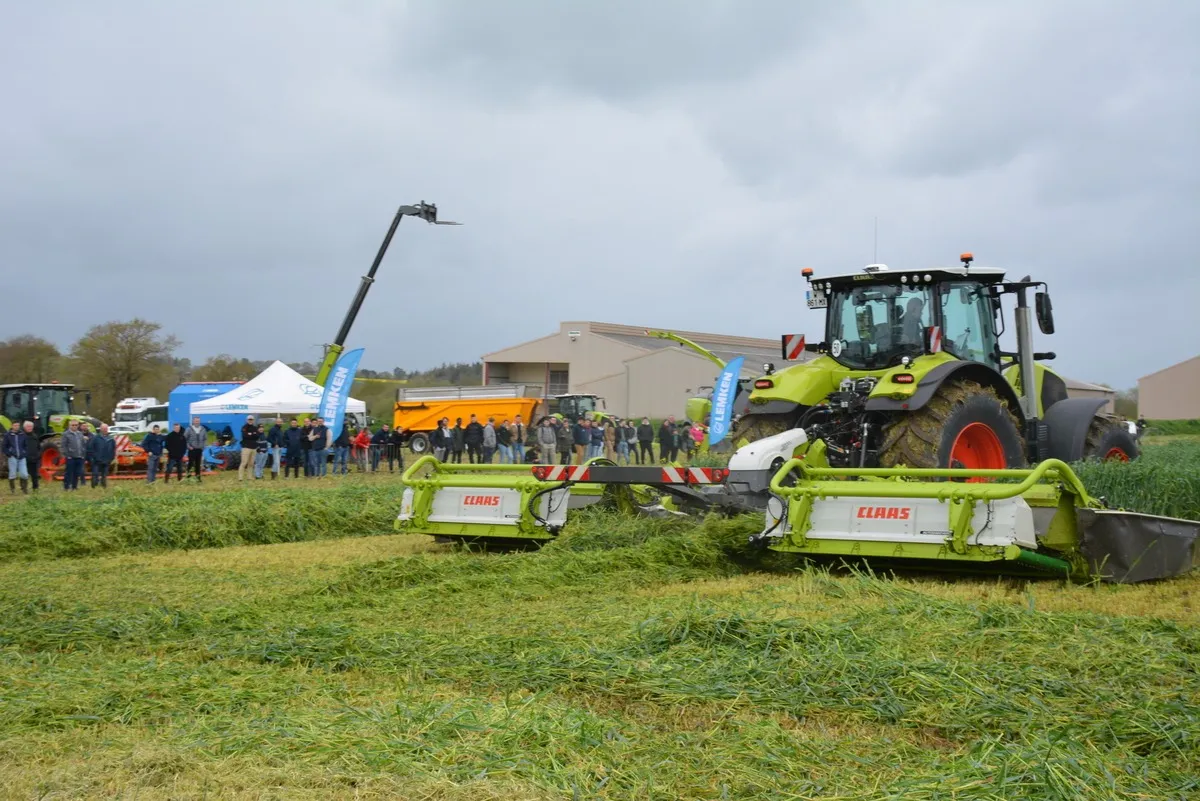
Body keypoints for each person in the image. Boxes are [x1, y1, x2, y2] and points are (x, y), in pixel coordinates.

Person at [2, 421, 30, 494]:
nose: (16, 427)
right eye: (15, 425)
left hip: (22, 457)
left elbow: (26, 445)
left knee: (24, 474)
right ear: (12, 426)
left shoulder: (23, 434)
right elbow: (4, 446)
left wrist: (25, 453)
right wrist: (9, 454)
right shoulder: (7, 435)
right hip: (12, 457)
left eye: (18, 425)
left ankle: (24, 489)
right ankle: (13, 489)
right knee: (12, 473)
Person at [87, 424, 116, 488]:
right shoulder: (95, 438)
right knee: (95, 473)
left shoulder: (111, 439)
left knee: (104, 474)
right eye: (103, 428)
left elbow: (113, 449)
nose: (105, 430)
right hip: (97, 460)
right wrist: (93, 457)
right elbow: (90, 448)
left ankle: (103, 485)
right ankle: (94, 486)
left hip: (107, 460)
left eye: (106, 428)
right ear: (100, 429)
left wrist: (112, 457)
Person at [60, 420, 87, 491]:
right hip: (70, 457)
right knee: (69, 472)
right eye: (73, 425)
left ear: (78, 426)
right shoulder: (66, 434)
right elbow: (63, 446)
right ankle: (66, 486)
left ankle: (74, 486)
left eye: (76, 425)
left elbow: (83, 444)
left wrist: (83, 454)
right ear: (69, 426)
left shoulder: (80, 434)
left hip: (79, 457)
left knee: (77, 472)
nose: (74, 426)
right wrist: (67, 455)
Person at [185, 417, 207, 482]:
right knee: (190, 464)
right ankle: (188, 478)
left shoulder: (203, 429)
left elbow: (205, 439)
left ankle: (198, 478)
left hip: (199, 449)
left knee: (198, 464)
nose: (197, 422)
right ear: (193, 421)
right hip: (192, 449)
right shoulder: (189, 429)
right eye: (196, 421)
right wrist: (188, 447)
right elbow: (185, 439)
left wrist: (203, 446)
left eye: (198, 421)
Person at [237, 416, 259, 482]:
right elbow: (245, 436)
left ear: (253, 420)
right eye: (249, 419)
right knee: (244, 462)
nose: (250, 420)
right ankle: (240, 478)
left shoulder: (255, 428)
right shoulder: (244, 427)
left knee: (251, 463)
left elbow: (257, 437)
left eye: (251, 419)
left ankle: (249, 477)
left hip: (253, 448)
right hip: (246, 447)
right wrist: (253, 434)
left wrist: (250, 434)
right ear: (247, 420)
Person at [22, 421, 41, 492]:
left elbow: (38, 447)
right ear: (24, 427)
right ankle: (24, 488)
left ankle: (35, 488)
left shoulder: (35, 436)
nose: (30, 428)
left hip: (34, 458)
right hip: (24, 458)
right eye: (28, 426)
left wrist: (39, 455)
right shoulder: (22, 436)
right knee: (24, 475)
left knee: (34, 474)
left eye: (31, 426)